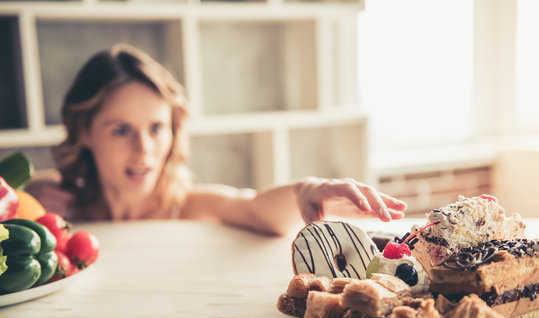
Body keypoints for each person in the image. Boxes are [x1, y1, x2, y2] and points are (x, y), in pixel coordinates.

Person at [26, 43, 407, 236]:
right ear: (85, 133)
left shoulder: (189, 205)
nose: (144, 150)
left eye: (157, 128)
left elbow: (256, 209)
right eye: (121, 130)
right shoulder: (55, 204)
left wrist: (309, 188)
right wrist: (23, 195)